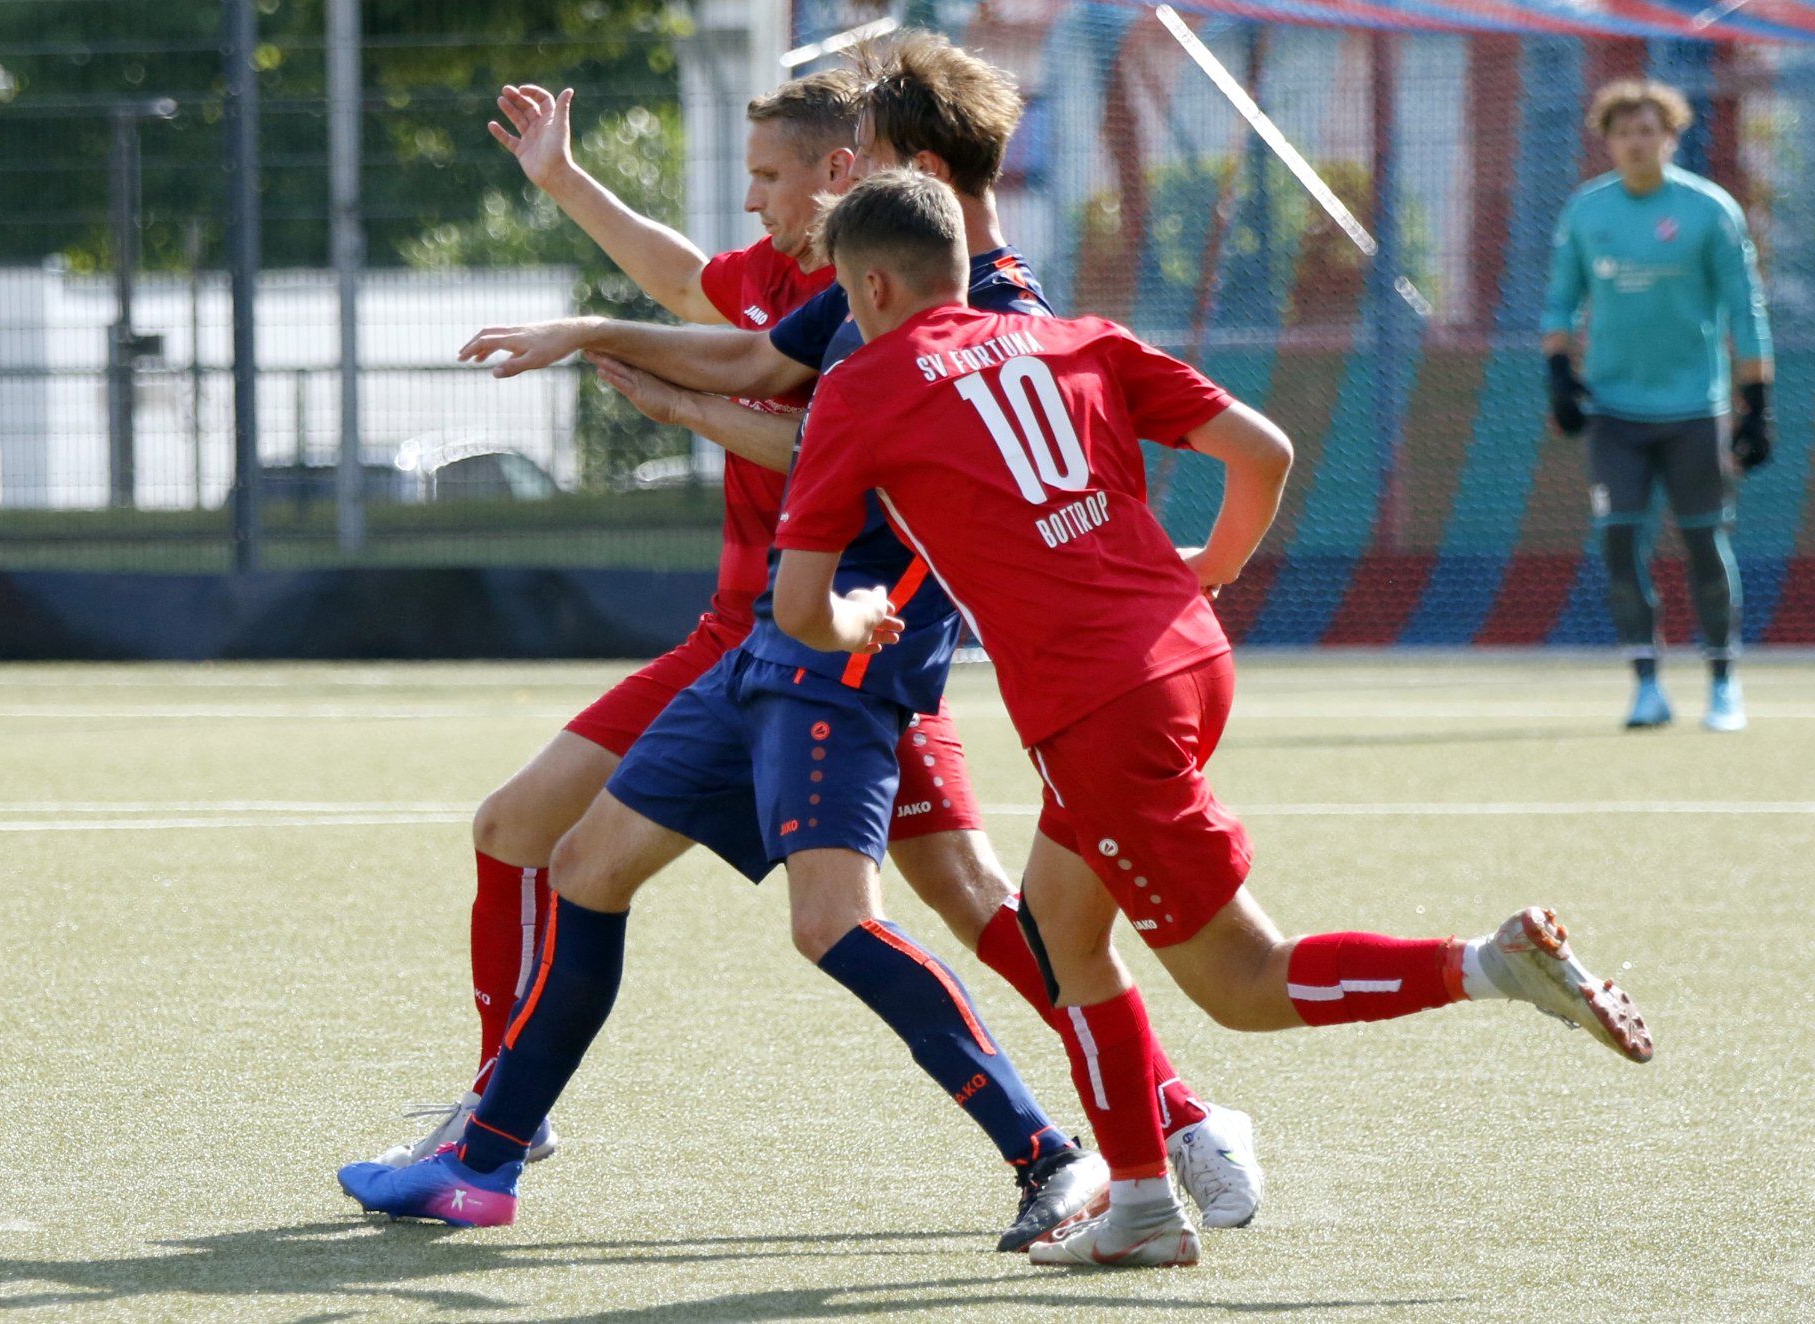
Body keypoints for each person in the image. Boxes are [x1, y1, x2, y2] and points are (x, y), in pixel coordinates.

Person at [770, 169, 1655, 1270]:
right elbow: (1263, 451)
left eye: (849, 302)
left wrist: (857, 617)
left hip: (1096, 706)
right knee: (1060, 921)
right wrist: (1216, 565)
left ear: (870, 283)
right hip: (1184, 656)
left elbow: (797, 606)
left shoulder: (861, 387)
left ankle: (1482, 963)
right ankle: (1140, 1199)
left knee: (1241, 981)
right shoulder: (1077, 335)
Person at [450, 32, 1260, 1228]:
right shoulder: (830, 279)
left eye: (792, 174)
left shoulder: (954, 303)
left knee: (916, 903)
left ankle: (1136, 1127)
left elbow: (831, 449)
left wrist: (651, 381)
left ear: (881, 170)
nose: (763, 199)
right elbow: (694, 298)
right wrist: (572, 212)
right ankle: (497, 1116)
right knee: (549, 836)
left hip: (839, 649)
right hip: (779, 643)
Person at [1541, 78, 1774, 732]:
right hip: (1615, 414)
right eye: (1623, 132)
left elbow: (1745, 308)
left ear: (1671, 137)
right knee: (1618, 544)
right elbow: (1560, 302)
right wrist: (1560, 372)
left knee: (1705, 543)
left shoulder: (1709, 210)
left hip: (1695, 411)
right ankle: (1646, 685)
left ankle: (1724, 684)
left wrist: (1757, 403)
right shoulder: (1586, 213)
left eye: (1649, 130)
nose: (1637, 142)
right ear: (1607, 141)